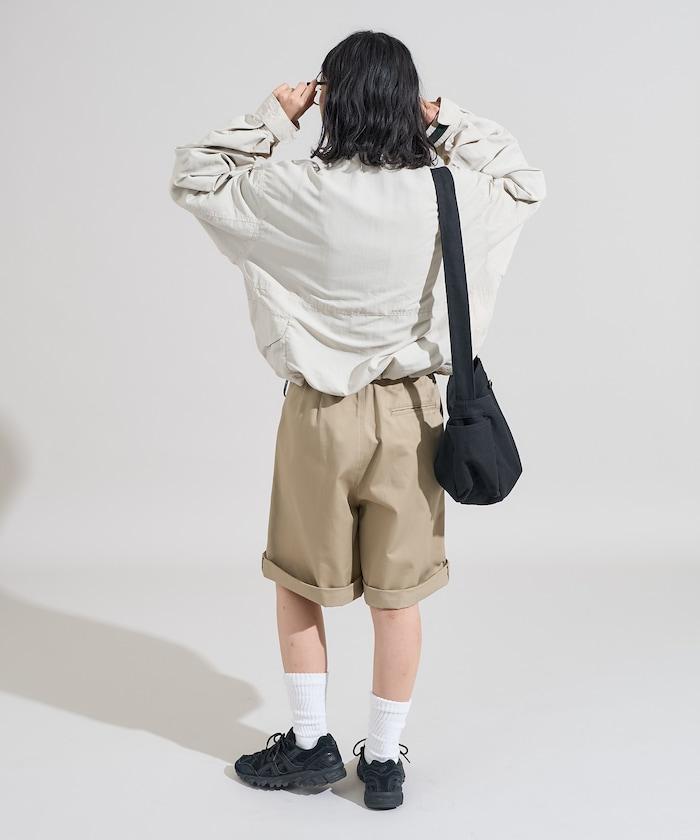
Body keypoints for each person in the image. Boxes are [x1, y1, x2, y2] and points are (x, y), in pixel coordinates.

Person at [169, 29, 545, 810]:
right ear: (407, 102)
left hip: (319, 416)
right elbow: (522, 180)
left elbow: (196, 176)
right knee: (397, 595)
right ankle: (382, 760)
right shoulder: (450, 193)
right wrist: (447, 120)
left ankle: (310, 745)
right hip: (417, 417)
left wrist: (276, 117)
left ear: (331, 100)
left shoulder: (292, 192)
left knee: (300, 581)